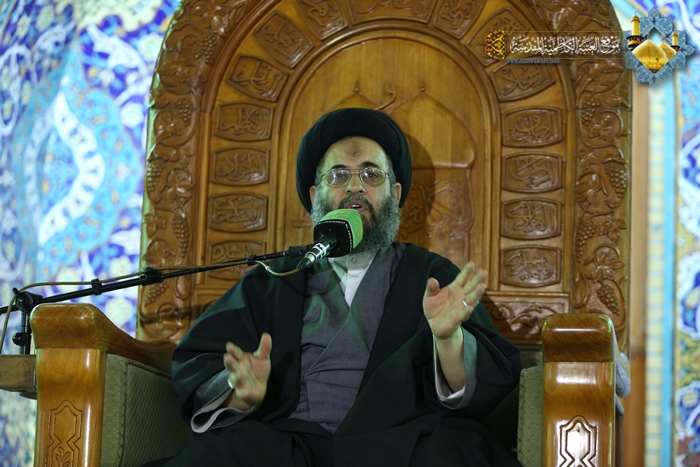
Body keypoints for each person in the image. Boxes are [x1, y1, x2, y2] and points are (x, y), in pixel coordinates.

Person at [147, 108, 522, 467]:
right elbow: (202, 362)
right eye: (339, 175)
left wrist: (448, 341)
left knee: (452, 452)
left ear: (394, 193)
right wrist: (239, 393)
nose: (355, 185)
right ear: (315, 196)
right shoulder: (273, 278)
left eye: (371, 174)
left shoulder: (430, 276)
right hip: (285, 444)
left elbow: (479, 389)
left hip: (398, 445)